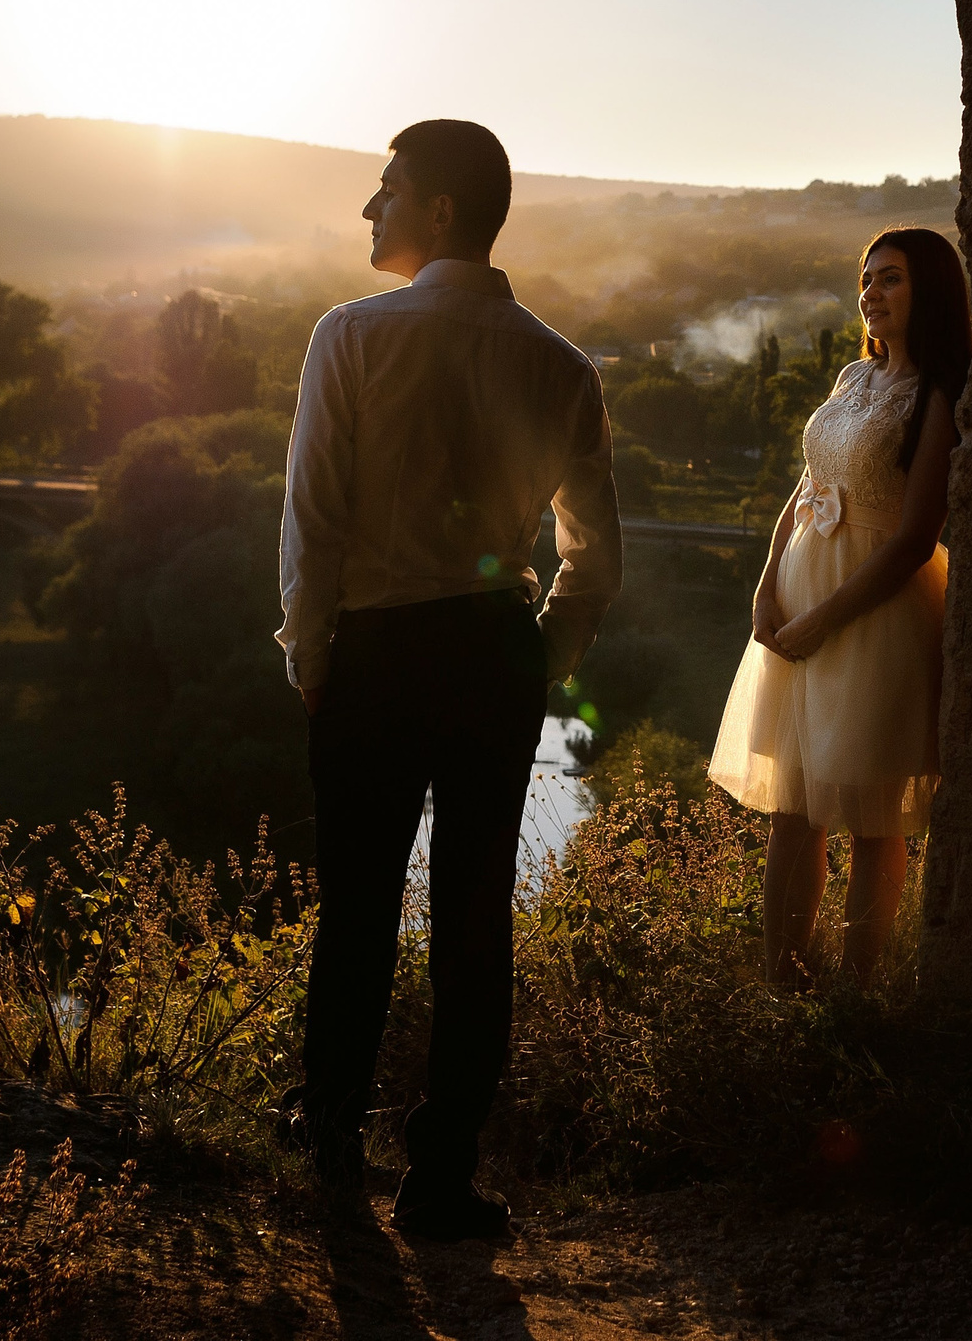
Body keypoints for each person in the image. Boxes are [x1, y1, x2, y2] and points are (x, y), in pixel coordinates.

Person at [276, 119, 623, 1239]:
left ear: (437, 212)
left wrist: (311, 658)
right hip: (492, 656)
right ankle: (440, 1180)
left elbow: (312, 525)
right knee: (476, 923)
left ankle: (327, 1137)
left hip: (375, 655)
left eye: (385, 190)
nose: (366, 210)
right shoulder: (561, 365)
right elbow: (593, 561)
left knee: (358, 912)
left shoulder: (350, 337)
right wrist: (539, 661)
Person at [707, 227, 970, 988]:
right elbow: (806, 487)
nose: (871, 293)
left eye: (890, 279)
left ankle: (856, 992)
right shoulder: (854, 377)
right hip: (798, 598)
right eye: (866, 279)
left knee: (870, 814)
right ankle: (781, 980)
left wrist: (827, 618)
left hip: (875, 614)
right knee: (793, 802)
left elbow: (917, 537)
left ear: (930, 292)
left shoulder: (939, 394)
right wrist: (766, 588)